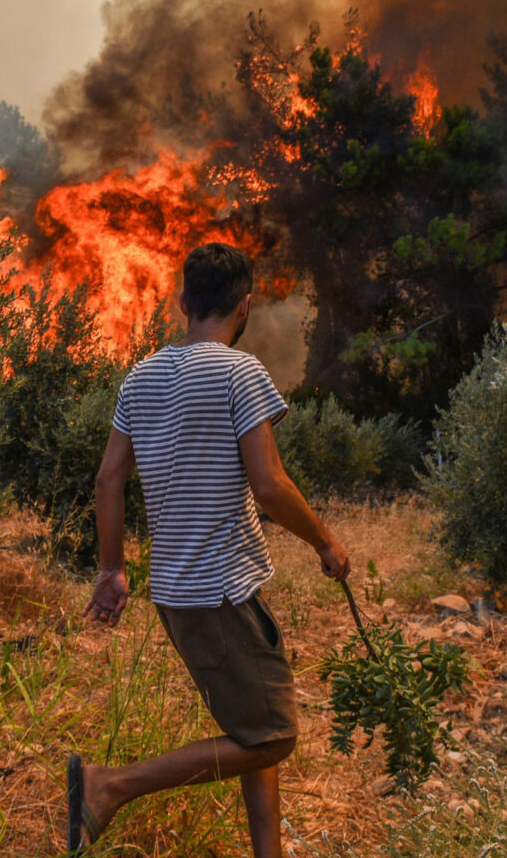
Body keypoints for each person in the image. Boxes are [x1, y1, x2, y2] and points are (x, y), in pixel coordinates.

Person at [67, 242, 351, 856]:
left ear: (182, 302)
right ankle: (109, 785)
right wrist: (326, 542)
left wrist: (113, 569)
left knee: (252, 727)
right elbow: (269, 485)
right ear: (244, 306)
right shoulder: (240, 373)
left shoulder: (140, 376)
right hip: (222, 592)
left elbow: (108, 481)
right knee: (274, 737)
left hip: (176, 595)